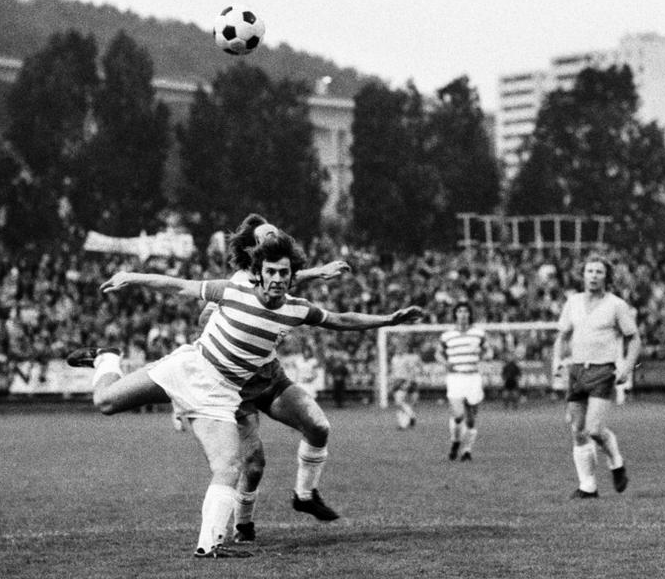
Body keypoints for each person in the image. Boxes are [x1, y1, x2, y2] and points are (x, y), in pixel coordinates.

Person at [68, 231, 423, 558]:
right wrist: (132, 277)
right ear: (260, 272)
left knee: (229, 466)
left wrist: (388, 320)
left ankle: (209, 546)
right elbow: (178, 286)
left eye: (285, 272)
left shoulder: (295, 310)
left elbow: (342, 319)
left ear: (291, 274)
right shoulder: (234, 289)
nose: (278, 278)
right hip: (191, 367)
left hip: (222, 395)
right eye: (272, 271)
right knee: (106, 402)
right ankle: (107, 357)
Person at [194, 213, 352, 544]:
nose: (271, 239)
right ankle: (244, 525)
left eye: (274, 235)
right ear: (253, 250)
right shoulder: (237, 282)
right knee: (253, 465)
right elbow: (221, 305)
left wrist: (317, 273)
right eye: (264, 237)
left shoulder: (275, 276)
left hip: (269, 376)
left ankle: (305, 494)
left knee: (319, 426)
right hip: (236, 389)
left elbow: (286, 277)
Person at [553, 255, 641, 498]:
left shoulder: (616, 305)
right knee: (577, 430)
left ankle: (616, 462)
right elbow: (562, 336)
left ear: (607, 277)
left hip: (603, 370)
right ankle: (588, 487)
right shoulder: (573, 302)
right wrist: (557, 362)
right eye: (589, 271)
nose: (593, 276)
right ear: (583, 275)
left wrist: (627, 367)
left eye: (599, 272)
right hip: (577, 370)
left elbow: (634, 338)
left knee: (593, 429)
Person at [438, 302, 488, 461]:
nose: (463, 314)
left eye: (466, 311)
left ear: (470, 314)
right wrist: (445, 363)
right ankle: (455, 442)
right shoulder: (447, 335)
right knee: (458, 415)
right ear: (455, 314)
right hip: (456, 378)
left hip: (473, 377)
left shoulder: (478, 334)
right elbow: (438, 354)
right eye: (459, 311)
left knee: (471, 419)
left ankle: (466, 450)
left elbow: (488, 350)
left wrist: (485, 356)